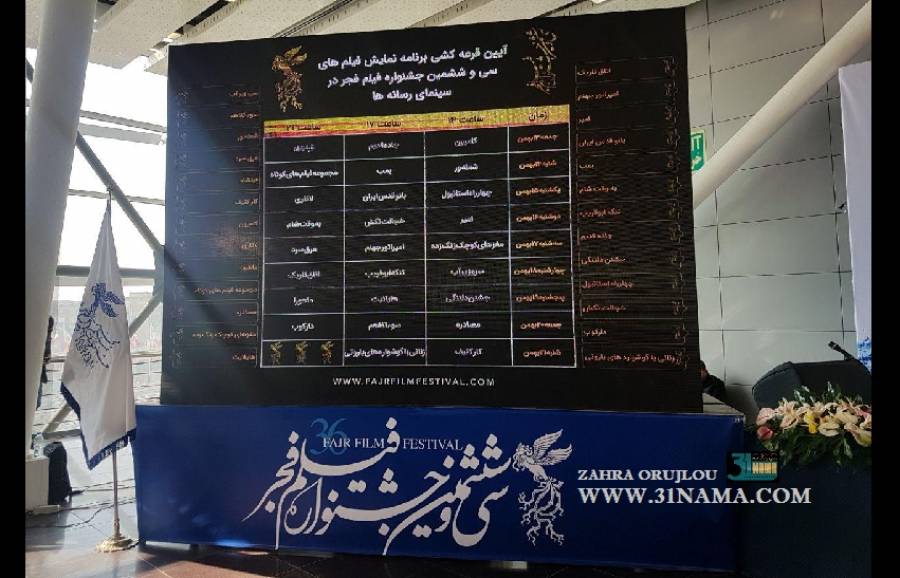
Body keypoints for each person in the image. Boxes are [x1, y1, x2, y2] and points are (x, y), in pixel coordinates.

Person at [38, 316, 53, 410]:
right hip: (37, 370)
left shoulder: (48, 319)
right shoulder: (47, 319)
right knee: (35, 402)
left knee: (35, 403)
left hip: (38, 370)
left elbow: (48, 341)